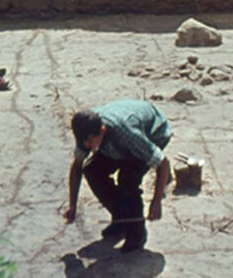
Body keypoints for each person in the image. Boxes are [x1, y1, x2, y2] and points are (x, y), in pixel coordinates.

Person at [63, 100, 172, 253]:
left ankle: (137, 234)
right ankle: (121, 218)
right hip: (116, 141)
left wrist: (156, 202)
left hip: (153, 132)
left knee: (127, 180)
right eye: (85, 143)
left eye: (91, 142)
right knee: (92, 170)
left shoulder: (126, 133)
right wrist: (72, 205)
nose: (87, 146)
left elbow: (162, 162)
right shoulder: (85, 130)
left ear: (102, 130)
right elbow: (77, 167)